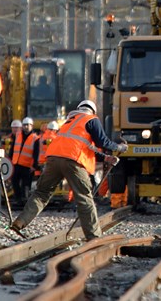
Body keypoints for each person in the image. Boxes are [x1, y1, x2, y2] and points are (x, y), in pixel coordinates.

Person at [13, 100, 127, 241]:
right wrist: (120, 147)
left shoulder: (69, 123)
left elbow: (87, 147)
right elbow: (102, 142)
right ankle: (94, 237)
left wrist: (106, 159)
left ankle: (20, 221)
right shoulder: (91, 119)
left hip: (53, 159)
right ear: (92, 111)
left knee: (41, 193)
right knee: (84, 198)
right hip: (73, 161)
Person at [9, 117, 39, 204]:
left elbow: (36, 153)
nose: (26, 127)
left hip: (27, 165)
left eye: (28, 125)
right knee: (15, 182)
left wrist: (34, 166)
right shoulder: (18, 136)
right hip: (16, 164)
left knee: (25, 185)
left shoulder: (35, 138)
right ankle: (18, 199)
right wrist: (10, 160)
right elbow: (12, 149)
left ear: (32, 126)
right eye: (25, 125)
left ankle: (24, 200)